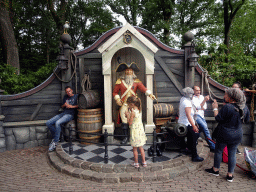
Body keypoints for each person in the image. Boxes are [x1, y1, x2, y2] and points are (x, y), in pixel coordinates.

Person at [205, 88, 249, 182]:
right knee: (232, 153)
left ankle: (215, 170)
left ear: (232, 97)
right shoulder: (244, 107)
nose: (224, 96)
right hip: (237, 134)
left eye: (226, 95)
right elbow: (247, 120)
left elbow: (218, 118)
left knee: (218, 151)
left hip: (224, 134)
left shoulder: (227, 107)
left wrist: (215, 108)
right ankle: (230, 175)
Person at [113, 62, 156, 144]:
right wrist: (118, 99)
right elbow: (115, 92)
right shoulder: (119, 82)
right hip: (124, 104)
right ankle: (125, 138)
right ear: (124, 72)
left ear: (133, 72)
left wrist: (150, 94)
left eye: (130, 70)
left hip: (134, 105)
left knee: (135, 120)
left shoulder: (137, 81)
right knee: (124, 121)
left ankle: (134, 136)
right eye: (127, 70)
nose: (129, 72)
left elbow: (143, 89)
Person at [46, 86, 78, 151]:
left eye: (69, 91)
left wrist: (71, 106)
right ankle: (57, 136)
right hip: (63, 113)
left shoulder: (76, 96)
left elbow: (80, 105)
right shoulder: (65, 97)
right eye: (67, 92)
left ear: (72, 90)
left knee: (57, 123)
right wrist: (64, 105)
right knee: (48, 123)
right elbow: (62, 106)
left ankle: (55, 142)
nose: (68, 93)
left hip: (70, 114)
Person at [178, 87, 204, 162]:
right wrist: (194, 126)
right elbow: (188, 115)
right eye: (192, 94)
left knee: (192, 137)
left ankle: (189, 149)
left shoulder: (183, 99)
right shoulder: (187, 102)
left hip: (183, 122)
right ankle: (194, 156)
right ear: (189, 95)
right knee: (194, 137)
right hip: (186, 124)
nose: (193, 95)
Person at [125, 96, 147, 168]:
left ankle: (136, 163)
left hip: (135, 132)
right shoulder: (139, 109)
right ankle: (144, 162)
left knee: (135, 149)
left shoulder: (133, 113)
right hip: (140, 131)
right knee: (141, 148)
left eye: (128, 104)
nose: (128, 105)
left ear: (132, 104)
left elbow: (130, 123)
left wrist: (127, 115)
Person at [192, 86, 215, 152]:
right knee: (205, 129)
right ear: (193, 90)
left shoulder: (202, 97)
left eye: (199, 90)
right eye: (196, 90)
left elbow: (204, 107)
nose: (198, 91)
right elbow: (198, 107)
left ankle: (193, 141)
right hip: (196, 115)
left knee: (200, 130)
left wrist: (200, 106)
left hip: (202, 116)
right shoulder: (193, 98)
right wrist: (204, 101)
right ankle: (212, 147)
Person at [232, 82, 250, 154]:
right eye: (232, 87)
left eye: (235, 87)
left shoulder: (242, 99)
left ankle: (235, 149)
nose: (233, 89)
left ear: (240, 89)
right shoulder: (229, 97)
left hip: (238, 122)